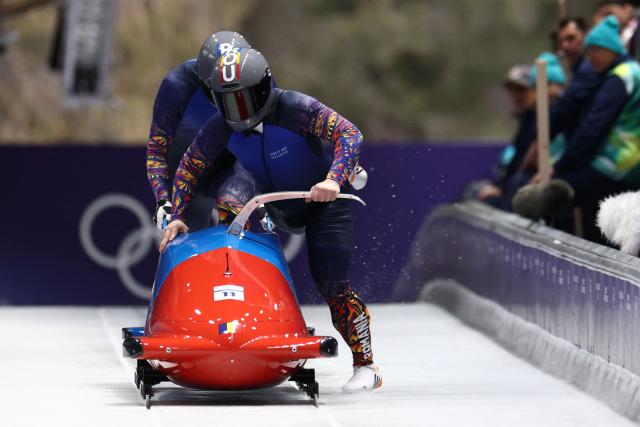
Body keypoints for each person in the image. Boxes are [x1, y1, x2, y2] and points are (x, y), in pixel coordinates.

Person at [160, 47, 382, 393]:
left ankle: (366, 365)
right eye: (229, 102)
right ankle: (240, 320)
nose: (238, 111)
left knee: (332, 285)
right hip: (271, 202)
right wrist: (177, 216)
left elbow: (349, 133)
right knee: (229, 209)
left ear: (263, 89)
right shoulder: (220, 126)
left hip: (322, 202)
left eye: (245, 100)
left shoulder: (295, 107)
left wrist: (333, 179)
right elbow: (190, 166)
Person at [532, 16, 640, 242]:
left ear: (607, 49)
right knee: (599, 225)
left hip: (620, 164)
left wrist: (558, 168)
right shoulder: (624, 73)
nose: (589, 59)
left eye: (592, 52)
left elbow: (593, 128)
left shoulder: (621, 77)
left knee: (555, 197)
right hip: (620, 163)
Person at [146, 31, 256, 231]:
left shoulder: (259, 80)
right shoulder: (176, 86)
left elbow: (267, 140)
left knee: (232, 203)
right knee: (181, 231)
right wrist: (163, 200)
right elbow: (157, 150)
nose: (227, 99)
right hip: (184, 172)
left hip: (228, 167)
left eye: (236, 91)